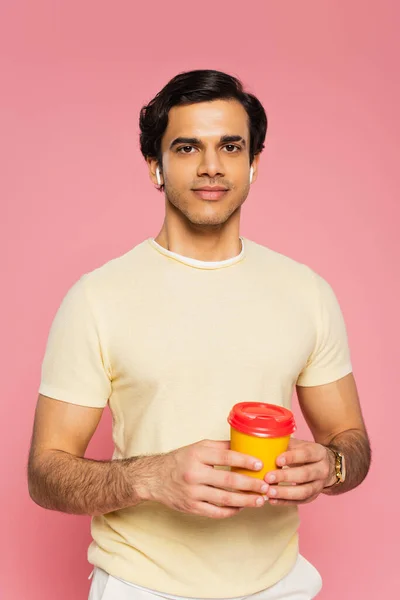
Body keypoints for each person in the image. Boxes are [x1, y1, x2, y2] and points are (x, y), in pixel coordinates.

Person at [27, 69, 371, 600]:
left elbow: (351, 441)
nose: (211, 166)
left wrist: (333, 465)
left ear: (254, 163)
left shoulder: (308, 292)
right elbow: (45, 474)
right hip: (141, 585)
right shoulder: (97, 298)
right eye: (187, 147)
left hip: (281, 585)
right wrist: (149, 477)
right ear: (155, 168)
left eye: (230, 146)